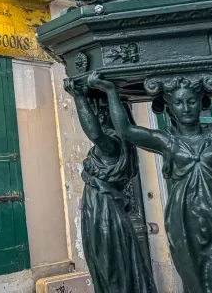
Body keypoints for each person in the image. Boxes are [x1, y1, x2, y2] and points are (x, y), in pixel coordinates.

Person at [88, 54, 212, 293]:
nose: (186, 108)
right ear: (170, 107)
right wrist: (110, 92)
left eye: (191, 101)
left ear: (200, 101)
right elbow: (127, 130)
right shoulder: (167, 141)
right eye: (179, 103)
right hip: (184, 222)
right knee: (196, 282)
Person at [68, 80, 157, 293]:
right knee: (106, 266)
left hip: (104, 213)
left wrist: (79, 98)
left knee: (111, 266)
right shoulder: (118, 145)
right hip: (99, 211)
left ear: (105, 115)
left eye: (97, 110)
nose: (95, 115)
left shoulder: (114, 146)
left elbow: (95, 134)